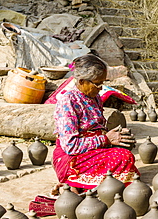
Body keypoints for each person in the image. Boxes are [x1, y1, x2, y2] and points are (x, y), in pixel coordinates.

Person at [51, 54, 139, 194]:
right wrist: (105, 139)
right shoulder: (68, 101)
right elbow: (70, 146)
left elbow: (97, 128)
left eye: (102, 83)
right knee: (123, 158)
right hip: (72, 158)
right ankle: (73, 184)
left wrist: (115, 136)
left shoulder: (95, 97)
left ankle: (82, 186)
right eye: (97, 83)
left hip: (93, 152)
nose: (100, 87)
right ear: (81, 81)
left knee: (124, 155)